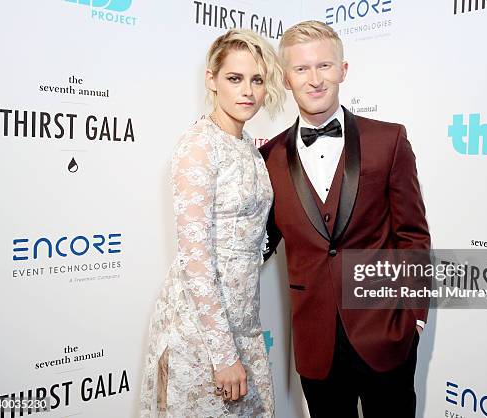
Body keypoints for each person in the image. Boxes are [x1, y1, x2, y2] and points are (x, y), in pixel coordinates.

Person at [260, 21, 430, 417]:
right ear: (286, 79)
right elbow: (256, 243)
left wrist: (413, 320)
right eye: (301, 69)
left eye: (324, 65)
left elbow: (414, 235)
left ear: (343, 70)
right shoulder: (267, 158)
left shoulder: (388, 140)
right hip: (314, 343)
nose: (315, 79)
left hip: (386, 334)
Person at [140, 29, 284, 417]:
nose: (248, 92)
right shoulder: (199, 145)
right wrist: (222, 354)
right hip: (200, 328)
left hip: (244, 320)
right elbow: (195, 257)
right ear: (212, 80)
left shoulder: (247, 145)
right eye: (234, 79)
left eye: (257, 80)